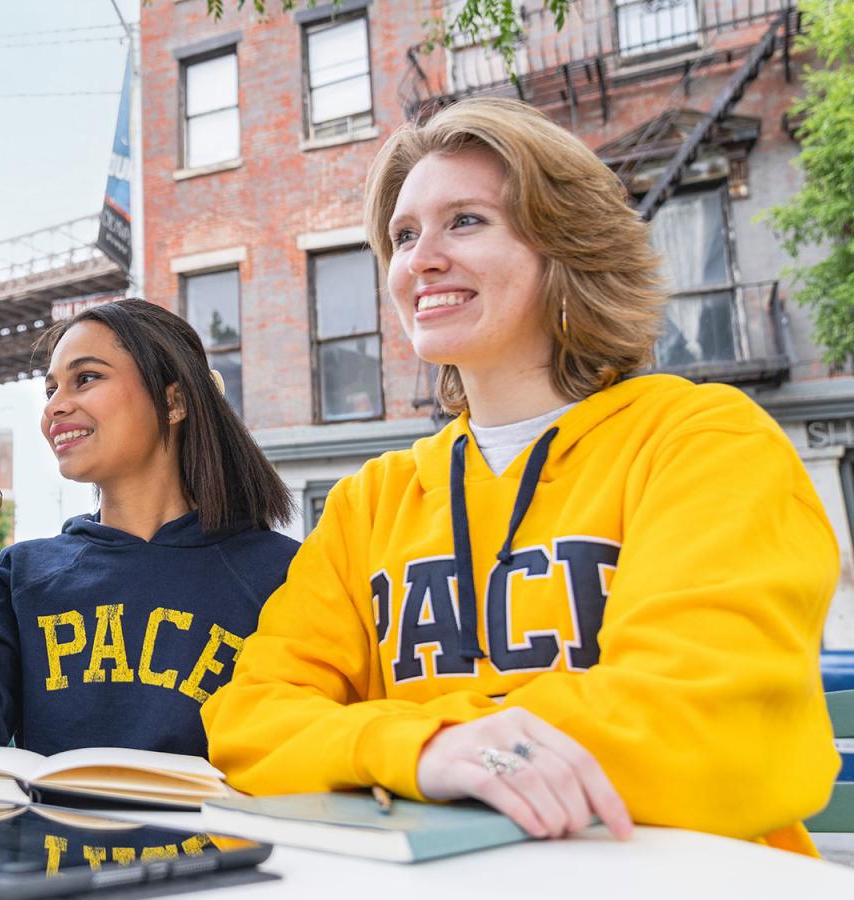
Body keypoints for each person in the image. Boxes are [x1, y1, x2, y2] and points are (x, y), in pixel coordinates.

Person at [203, 98, 841, 856]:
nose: (420, 259)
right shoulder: (368, 503)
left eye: (465, 221)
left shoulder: (705, 442)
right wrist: (425, 750)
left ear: (565, 246)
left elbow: (700, 721)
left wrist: (401, 740)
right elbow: (248, 716)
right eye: (403, 236)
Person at [0, 299, 300, 758]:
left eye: (86, 378)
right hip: (52, 832)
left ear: (173, 400)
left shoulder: (283, 576)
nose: (54, 408)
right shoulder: (21, 577)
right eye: (50, 391)